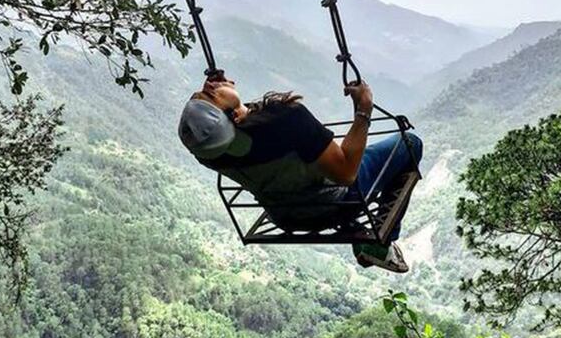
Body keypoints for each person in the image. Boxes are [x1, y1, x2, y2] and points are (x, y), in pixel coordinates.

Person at [177, 76, 422, 273]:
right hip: (338, 202)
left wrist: (226, 97)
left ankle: (354, 228)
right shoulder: (288, 120)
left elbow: (233, 129)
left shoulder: (208, 152)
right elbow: (346, 173)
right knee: (410, 143)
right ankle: (381, 245)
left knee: (316, 168)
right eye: (209, 94)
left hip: (284, 215)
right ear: (232, 116)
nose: (209, 84)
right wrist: (363, 110)